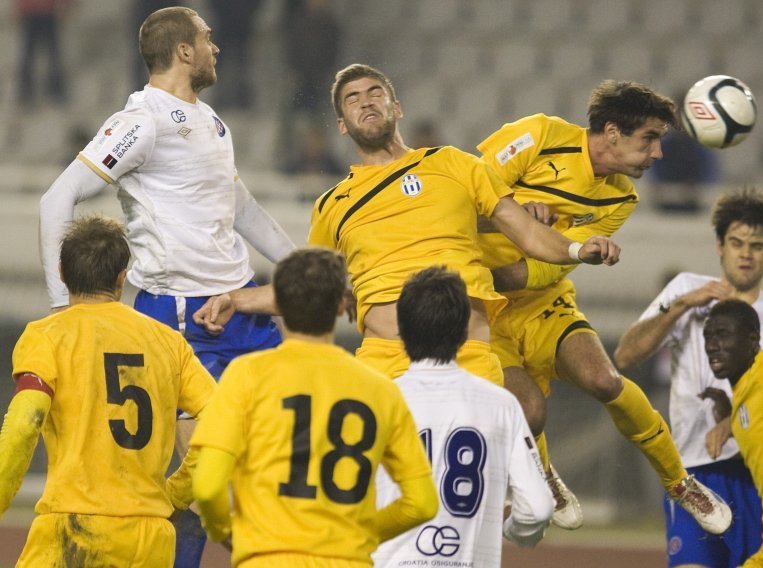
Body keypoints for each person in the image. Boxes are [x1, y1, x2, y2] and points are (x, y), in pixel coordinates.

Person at [37, 7, 296, 566]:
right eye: (207, 39)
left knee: (286, 464)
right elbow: (56, 198)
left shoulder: (209, 120)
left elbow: (240, 207)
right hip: (183, 319)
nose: (216, 48)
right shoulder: (142, 121)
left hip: (244, 309)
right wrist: (64, 306)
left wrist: (302, 268)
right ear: (184, 51)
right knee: (196, 487)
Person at [193, 63, 620, 389]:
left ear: (396, 107)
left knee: (481, 497)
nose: (365, 101)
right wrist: (235, 299)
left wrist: (576, 250)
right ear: (342, 124)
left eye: (375, 92)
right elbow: (311, 289)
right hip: (386, 362)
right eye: (353, 98)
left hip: (467, 353)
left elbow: (524, 230)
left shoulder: (453, 164)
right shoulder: (332, 204)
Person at [478, 80, 731, 533]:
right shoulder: (538, 138)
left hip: (542, 301)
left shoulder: (622, 197)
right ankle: (544, 474)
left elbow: (552, 268)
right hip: (483, 310)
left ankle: (680, 484)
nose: (657, 154)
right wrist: (514, 211)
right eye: (649, 138)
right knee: (530, 411)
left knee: (604, 378)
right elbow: (463, 195)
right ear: (612, 132)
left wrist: (532, 258)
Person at [191, 247, 438, 566]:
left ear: (278, 302)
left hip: (267, 557)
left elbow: (208, 485)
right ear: (340, 305)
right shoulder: (380, 389)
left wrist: (223, 528)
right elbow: (422, 503)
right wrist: (358, 534)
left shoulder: (246, 375)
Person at [0, 216, 217, 567]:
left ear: (61, 272)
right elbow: (222, 420)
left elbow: (25, 422)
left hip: (72, 529)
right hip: (150, 540)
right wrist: (176, 494)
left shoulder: (46, 337)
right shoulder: (169, 343)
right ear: (121, 277)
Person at [615, 189, 763, 567]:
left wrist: (733, 420)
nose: (746, 253)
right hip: (691, 474)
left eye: (757, 245)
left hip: (758, 478)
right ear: (719, 245)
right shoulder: (685, 290)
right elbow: (626, 355)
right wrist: (681, 305)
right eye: (736, 242)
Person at [373, 266, 554, 567]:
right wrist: (515, 533)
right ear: (463, 331)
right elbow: (538, 508)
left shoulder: (379, 401)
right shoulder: (502, 406)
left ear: (401, 330)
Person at [703, 300, 763, 568]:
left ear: (752, 339)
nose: (712, 345)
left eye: (722, 334)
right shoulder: (745, 396)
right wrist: (730, 420)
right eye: (708, 336)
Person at [14, 0, 70, 106]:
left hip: (43, 13)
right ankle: (28, 92)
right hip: (36, 14)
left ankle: (53, 90)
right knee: (32, 56)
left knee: (50, 55)